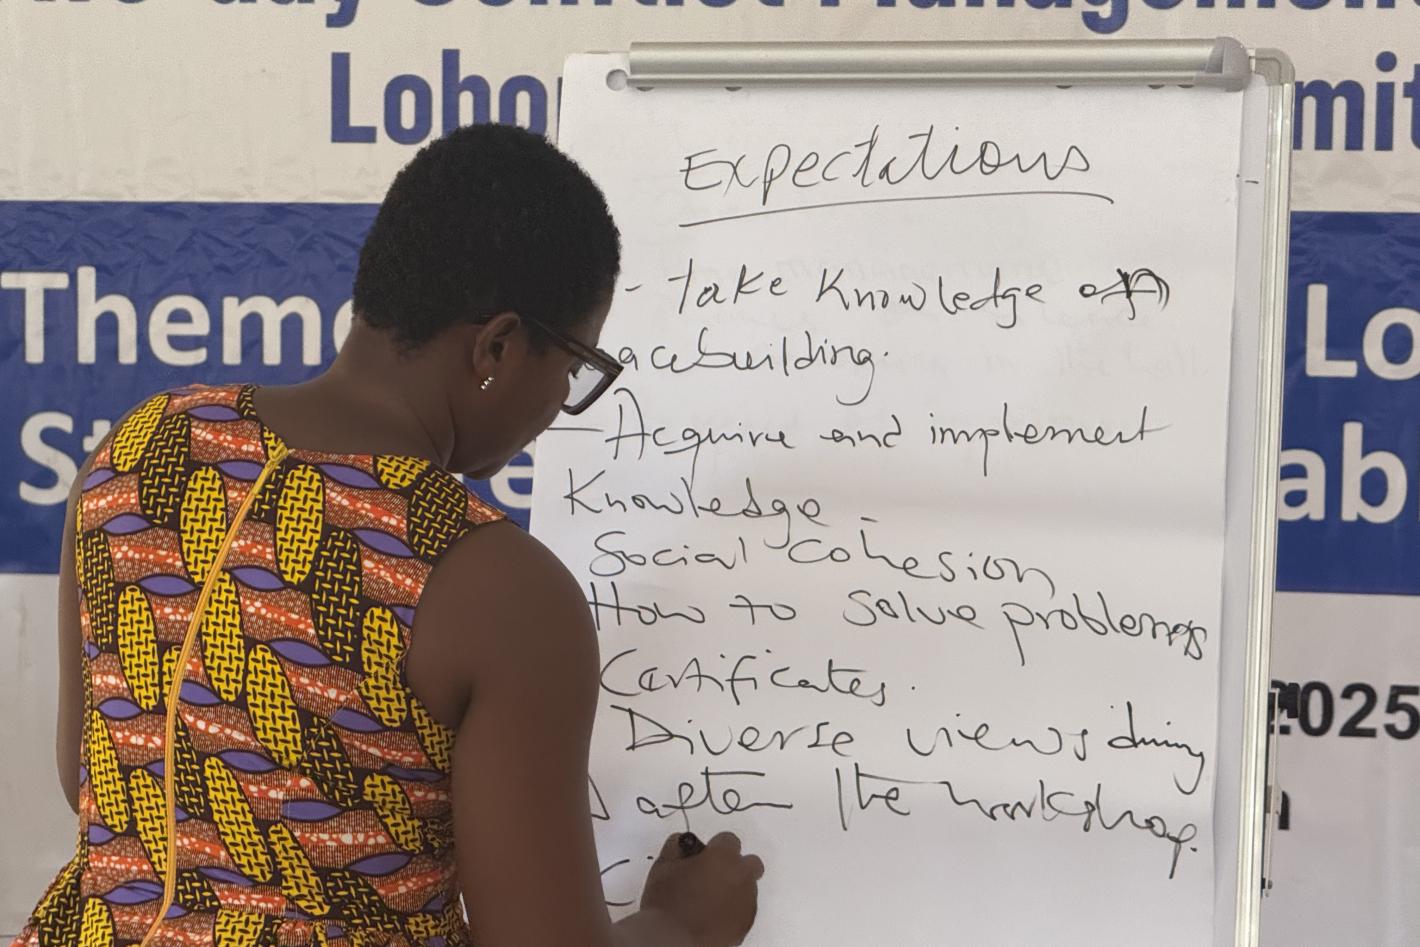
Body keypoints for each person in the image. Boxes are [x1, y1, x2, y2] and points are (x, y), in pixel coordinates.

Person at [10, 124, 763, 947]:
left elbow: (90, 774)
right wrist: (680, 922)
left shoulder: (137, 446)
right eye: (574, 366)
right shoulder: (497, 586)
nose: (561, 403)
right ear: (499, 345)